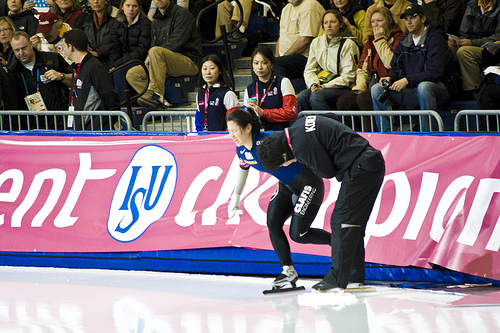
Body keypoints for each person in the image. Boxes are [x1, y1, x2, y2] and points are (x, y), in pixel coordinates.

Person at [257, 114, 385, 292]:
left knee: (342, 223)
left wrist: (300, 159)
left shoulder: (301, 147)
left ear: (284, 154)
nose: (286, 165)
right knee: (353, 225)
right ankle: (353, 278)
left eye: (283, 162)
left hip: (361, 168)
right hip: (367, 162)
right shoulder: (299, 126)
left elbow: (327, 171)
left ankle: (336, 280)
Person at [226, 108, 332, 290]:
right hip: (287, 186)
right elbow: (244, 168)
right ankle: (288, 270)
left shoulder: (270, 139)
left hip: (308, 183)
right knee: (272, 222)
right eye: (229, 132)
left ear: (249, 127)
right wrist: (235, 196)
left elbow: (302, 144)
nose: (232, 136)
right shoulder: (241, 149)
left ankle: (340, 241)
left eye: (235, 131)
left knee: (299, 234)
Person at [370, 3, 454, 132]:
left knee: (424, 86)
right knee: (376, 89)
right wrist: (389, 77)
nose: (409, 22)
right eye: (406, 19)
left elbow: (434, 72)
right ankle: (387, 134)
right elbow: (398, 70)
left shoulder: (435, 38)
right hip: (414, 89)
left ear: (423, 19)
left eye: (413, 18)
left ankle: (429, 134)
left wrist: (407, 80)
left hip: (441, 88)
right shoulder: (404, 42)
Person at [126, 0, 202, 110]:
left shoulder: (182, 14)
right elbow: (154, 46)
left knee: (155, 51)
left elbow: (177, 43)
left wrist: (153, 54)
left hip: (190, 61)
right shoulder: (156, 21)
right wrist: (150, 55)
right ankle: (160, 104)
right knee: (133, 74)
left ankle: (157, 95)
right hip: (163, 61)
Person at [336, 7, 403, 112]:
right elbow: (362, 67)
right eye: (373, 21)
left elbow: (390, 63)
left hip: (392, 85)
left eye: (380, 21)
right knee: (344, 101)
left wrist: (380, 40)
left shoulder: (399, 39)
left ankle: (373, 129)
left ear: (389, 22)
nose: (375, 24)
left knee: (364, 99)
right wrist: (360, 87)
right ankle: (353, 129)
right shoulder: (370, 41)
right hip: (373, 83)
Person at [297, 9, 359, 112]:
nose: (328, 25)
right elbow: (309, 70)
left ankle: (328, 126)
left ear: (340, 25)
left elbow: (349, 77)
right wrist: (314, 84)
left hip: (342, 86)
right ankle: (308, 126)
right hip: (321, 84)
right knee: (302, 96)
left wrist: (324, 86)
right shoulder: (316, 43)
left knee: (316, 97)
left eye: (333, 22)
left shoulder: (348, 44)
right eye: (326, 23)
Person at [9, 31, 71, 129]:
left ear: (31, 43)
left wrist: (61, 76)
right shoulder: (13, 71)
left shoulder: (53, 59)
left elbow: (75, 79)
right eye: (17, 50)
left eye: (24, 48)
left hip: (58, 122)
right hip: (31, 126)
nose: (21, 53)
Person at [62, 28, 121, 130]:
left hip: (95, 130)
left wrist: (105, 124)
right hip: (80, 129)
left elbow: (110, 96)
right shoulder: (76, 68)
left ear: (70, 47)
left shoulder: (94, 67)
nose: (64, 50)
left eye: (64, 47)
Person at [448, 0, 500, 96]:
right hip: (469, 44)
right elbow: (464, 32)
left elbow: (497, 37)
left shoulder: (498, 6)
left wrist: (472, 42)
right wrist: (458, 41)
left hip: (490, 48)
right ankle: (449, 88)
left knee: (464, 52)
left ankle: (474, 91)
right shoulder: (472, 5)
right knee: (447, 48)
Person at [274, 0, 325, 93]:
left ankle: (281, 98)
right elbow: (281, 37)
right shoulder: (286, 8)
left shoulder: (310, 5)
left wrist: (282, 58)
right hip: (287, 58)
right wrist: (276, 57)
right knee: (262, 61)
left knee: (276, 64)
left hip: (307, 58)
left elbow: (305, 39)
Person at [244, 46, 297, 131]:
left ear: (271, 65)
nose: (259, 67)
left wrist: (264, 113)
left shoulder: (283, 82)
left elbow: (290, 112)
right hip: (258, 135)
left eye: (264, 63)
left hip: (279, 134)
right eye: (256, 63)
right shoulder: (250, 89)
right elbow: (245, 116)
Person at [112, 0, 151, 102]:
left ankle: (125, 106)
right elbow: (114, 47)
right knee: (108, 71)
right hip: (122, 61)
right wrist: (113, 64)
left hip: (139, 61)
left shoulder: (145, 24)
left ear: (139, 8)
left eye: (134, 6)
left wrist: (118, 64)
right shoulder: (117, 23)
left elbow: (141, 50)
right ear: (122, 7)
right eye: (128, 5)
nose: (131, 9)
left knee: (119, 71)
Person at [195, 54, 239, 131]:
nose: (208, 72)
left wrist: (224, 137)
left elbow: (234, 122)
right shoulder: (200, 94)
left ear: (220, 71)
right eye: (205, 69)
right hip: (204, 138)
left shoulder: (227, 94)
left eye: (212, 68)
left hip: (222, 139)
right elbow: (199, 119)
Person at [81, 0, 123, 69]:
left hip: (112, 61)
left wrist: (99, 52)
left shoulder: (116, 17)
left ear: (105, 1)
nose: (96, 1)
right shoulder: (87, 20)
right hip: (93, 61)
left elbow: (120, 43)